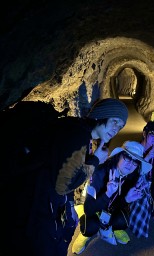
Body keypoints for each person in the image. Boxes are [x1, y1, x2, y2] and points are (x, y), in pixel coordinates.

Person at [3, 98, 129, 256]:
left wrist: (69, 210)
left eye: (121, 126)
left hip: (37, 197)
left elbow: (65, 170)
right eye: (115, 121)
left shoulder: (76, 129)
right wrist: (96, 160)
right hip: (35, 206)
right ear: (102, 114)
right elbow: (64, 185)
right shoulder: (78, 136)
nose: (117, 128)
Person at [72, 141, 152, 255]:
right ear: (119, 156)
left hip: (108, 206)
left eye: (135, 161)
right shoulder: (99, 172)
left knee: (122, 221)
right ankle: (84, 234)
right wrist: (108, 194)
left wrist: (126, 199)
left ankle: (111, 227)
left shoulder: (131, 176)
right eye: (127, 157)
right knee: (90, 226)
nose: (130, 164)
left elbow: (116, 203)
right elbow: (88, 209)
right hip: (88, 204)